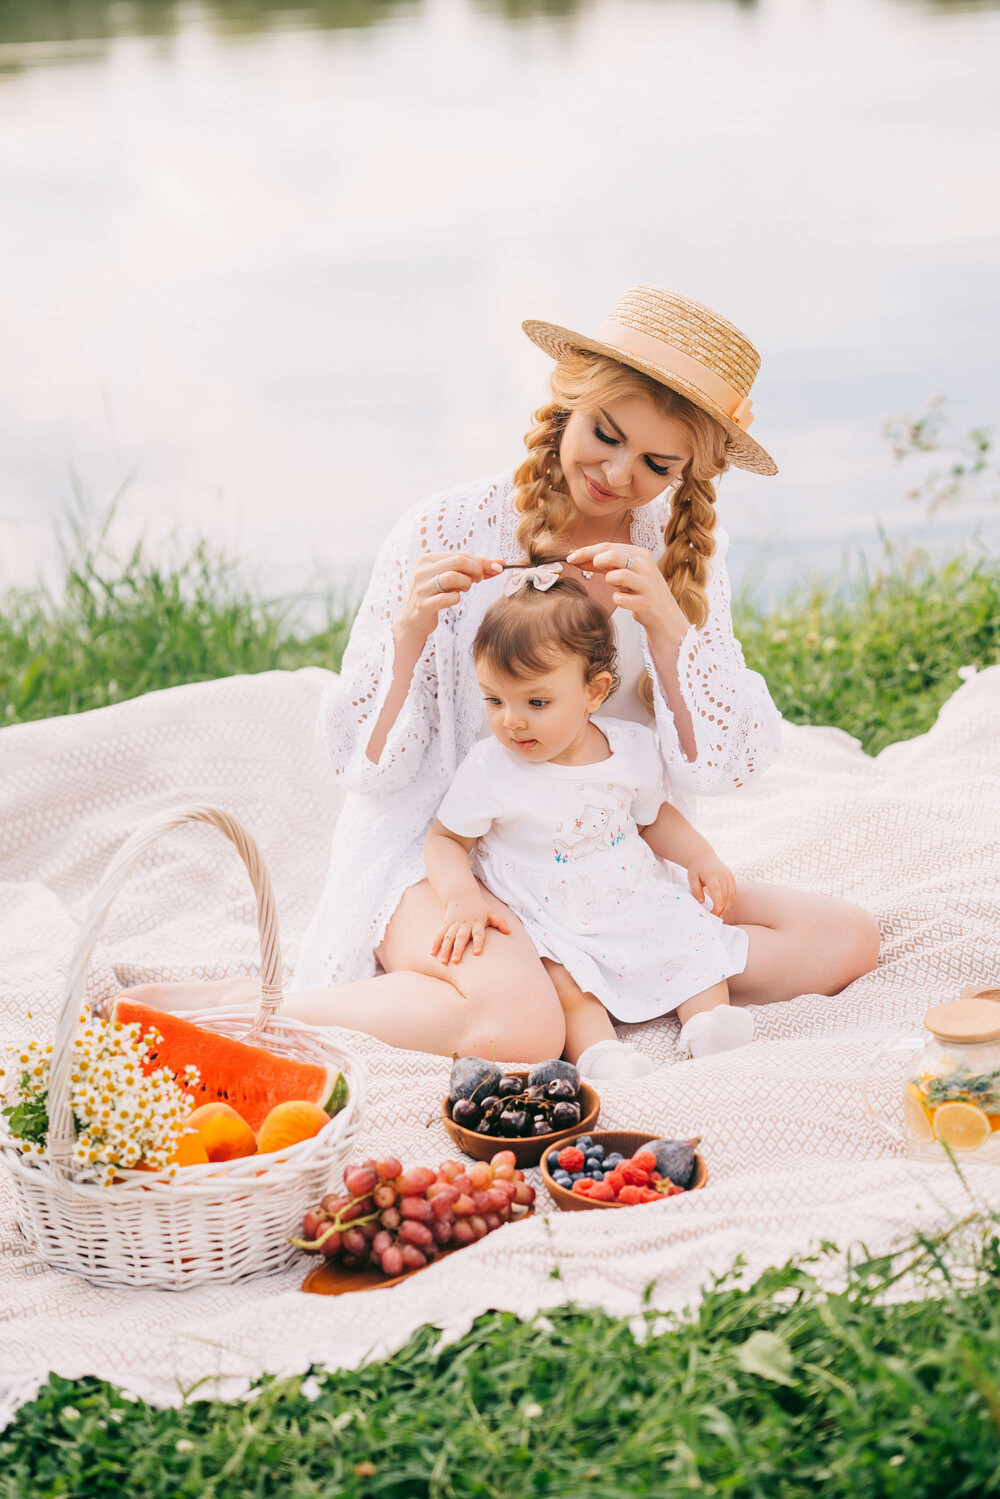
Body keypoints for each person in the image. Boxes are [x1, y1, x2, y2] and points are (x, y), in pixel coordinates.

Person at [125, 286, 880, 1059]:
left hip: (603, 864)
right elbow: (367, 767)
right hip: (453, 857)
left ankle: (576, 970)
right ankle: (251, 1009)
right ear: (569, 404)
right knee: (524, 1030)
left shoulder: (673, 559)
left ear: (689, 471)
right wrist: (409, 634)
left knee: (845, 939)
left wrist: (669, 630)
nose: (617, 474)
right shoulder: (447, 528)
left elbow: (724, 763)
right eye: (605, 435)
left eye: (657, 463)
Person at [424, 563, 756, 1079]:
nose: (511, 720)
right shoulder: (491, 767)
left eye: (536, 702)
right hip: (546, 911)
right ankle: (602, 1053)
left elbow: (652, 818)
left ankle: (710, 1023)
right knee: (566, 981)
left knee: (692, 936)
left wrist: (699, 856)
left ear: (594, 693)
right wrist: (460, 895)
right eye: (494, 700)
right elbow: (446, 839)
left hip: (628, 893)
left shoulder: (628, 749)